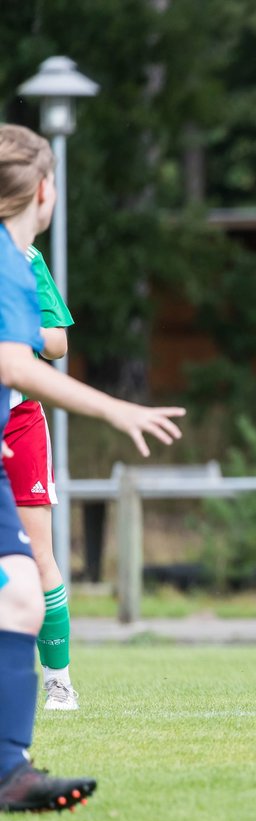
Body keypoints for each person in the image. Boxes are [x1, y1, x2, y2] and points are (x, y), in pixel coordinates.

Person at [0, 123, 185, 811]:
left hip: (9, 436)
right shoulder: (3, 258)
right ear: (45, 191)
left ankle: (10, 772)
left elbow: (34, 350)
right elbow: (18, 361)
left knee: (20, 590)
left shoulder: (19, 262)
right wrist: (116, 411)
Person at [3, 246, 78, 710]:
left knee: (37, 555)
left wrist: (14, 325)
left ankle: (58, 681)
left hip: (19, 419)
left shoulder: (23, 256)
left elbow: (57, 343)